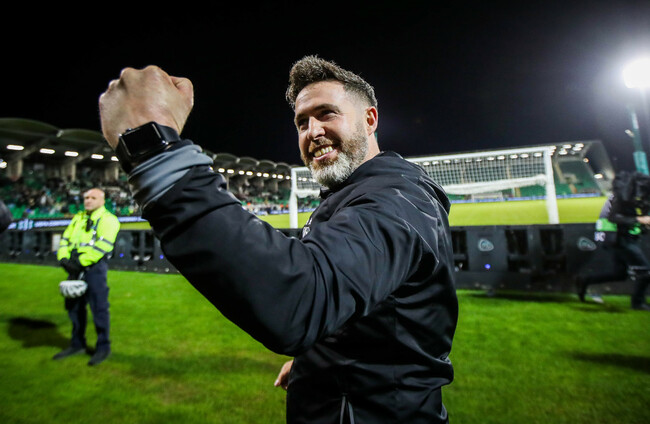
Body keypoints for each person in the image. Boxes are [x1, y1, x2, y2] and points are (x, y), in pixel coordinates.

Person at [98, 57, 458, 423]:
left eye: (327, 113)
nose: (312, 131)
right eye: (302, 122)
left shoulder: (395, 199)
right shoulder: (354, 193)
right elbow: (362, 304)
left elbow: (303, 299)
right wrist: (318, 361)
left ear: (369, 120)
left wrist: (154, 153)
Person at [54, 188, 121, 365]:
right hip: (74, 266)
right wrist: (63, 258)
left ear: (102, 201)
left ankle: (103, 347)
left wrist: (80, 262)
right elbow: (65, 239)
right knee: (74, 307)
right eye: (86, 198)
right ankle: (77, 344)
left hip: (94, 268)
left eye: (93, 197)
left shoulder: (109, 219)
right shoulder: (78, 217)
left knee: (99, 308)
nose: (88, 200)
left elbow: (104, 246)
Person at [577, 171, 650, 310]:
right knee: (645, 271)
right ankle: (638, 303)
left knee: (619, 274)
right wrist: (639, 219)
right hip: (617, 238)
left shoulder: (632, 197)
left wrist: (642, 224)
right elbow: (613, 217)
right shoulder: (620, 198)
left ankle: (584, 280)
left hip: (624, 237)